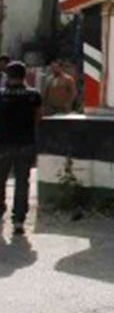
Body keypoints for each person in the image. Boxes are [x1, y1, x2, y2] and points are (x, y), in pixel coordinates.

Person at [0, 62, 43, 236]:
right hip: (26, 143)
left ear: (8, 75)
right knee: (22, 182)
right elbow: (38, 118)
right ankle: (18, 220)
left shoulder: (1, 95)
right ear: (24, 76)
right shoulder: (33, 95)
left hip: (3, 144)